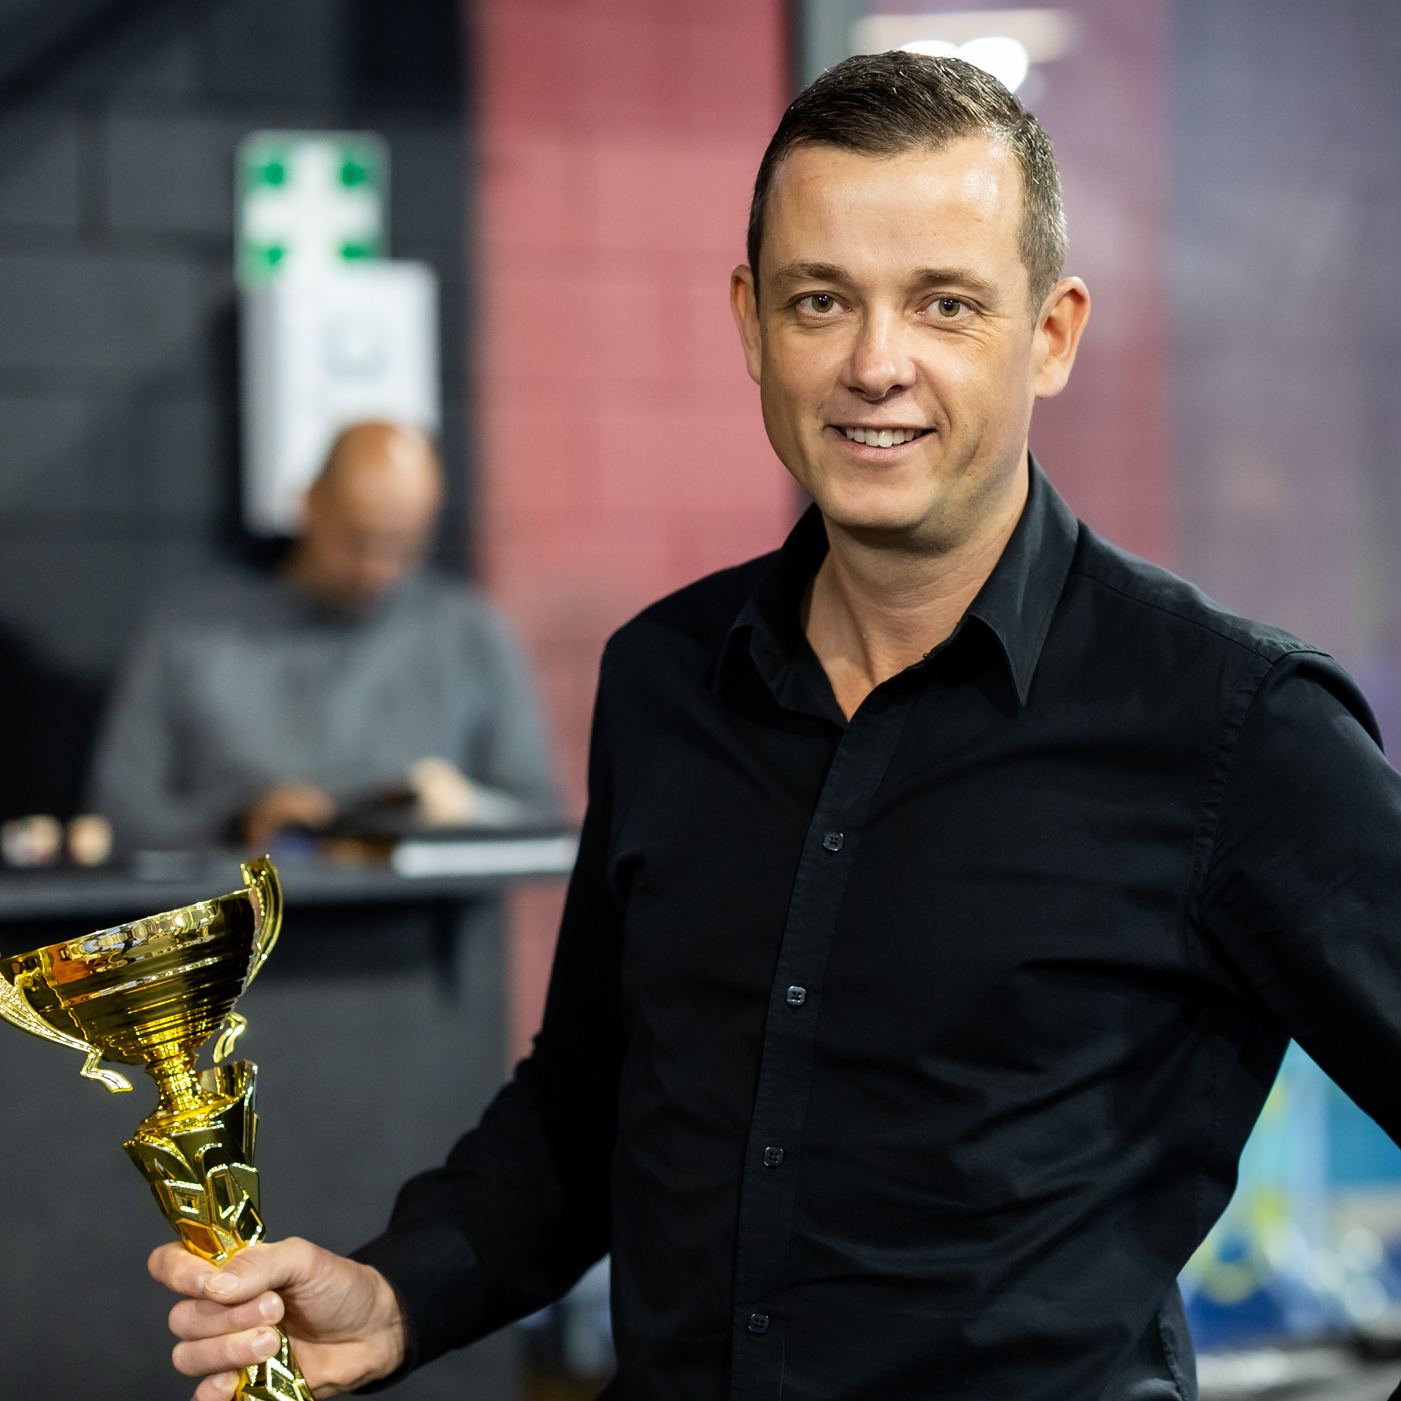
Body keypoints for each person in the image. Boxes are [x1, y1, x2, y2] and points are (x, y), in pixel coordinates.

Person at [151, 53, 1401, 1401]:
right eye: (822, 301)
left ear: (1051, 334)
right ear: (752, 323)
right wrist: (401, 1295)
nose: (875, 364)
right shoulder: (665, 679)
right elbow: (592, 1099)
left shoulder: (1232, 726)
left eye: (945, 304)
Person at [89, 421, 557, 850]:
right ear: (310, 503)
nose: (376, 569)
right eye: (357, 541)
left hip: (424, 910)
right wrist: (237, 822)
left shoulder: (471, 638)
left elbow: (542, 817)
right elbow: (120, 815)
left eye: (402, 546)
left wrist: (468, 810)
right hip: (255, 904)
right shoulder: (192, 634)